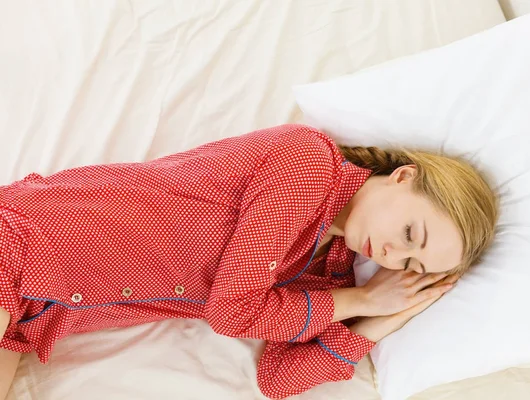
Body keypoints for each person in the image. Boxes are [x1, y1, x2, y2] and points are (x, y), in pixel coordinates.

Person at [0, 124, 498, 399]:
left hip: (36, 314)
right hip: (21, 239)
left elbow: (277, 380)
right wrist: (359, 298)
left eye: (412, 263)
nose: (393, 254)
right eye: (411, 233)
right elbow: (230, 312)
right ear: (403, 177)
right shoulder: (306, 164)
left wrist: (378, 319)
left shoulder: (325, 277)